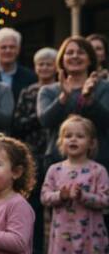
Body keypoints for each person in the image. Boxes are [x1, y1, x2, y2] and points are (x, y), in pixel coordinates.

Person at [39, 116, 108, 254]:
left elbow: (105, 200)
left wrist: (84, 196)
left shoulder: (98, 171)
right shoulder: (55, 170)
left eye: (80, 136)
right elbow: (44, 197)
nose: (73, 140)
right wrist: (62, 195)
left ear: (91, 142)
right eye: (68, 135)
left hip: (91, 236)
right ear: (61, 141)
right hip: (63, 237)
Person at [12, 47, 57, 254]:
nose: (45, 67)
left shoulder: (60, 90)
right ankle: (36, 248)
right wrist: (40, 117)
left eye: (49, 63)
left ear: (56, 67)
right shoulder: (28, 92)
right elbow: (18, 122)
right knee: (34, 202)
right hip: (34, 153)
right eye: (41, 64)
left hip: (57, 152)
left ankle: (59, 249)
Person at [38, 37, 109, 169]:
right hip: (58, 163)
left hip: (98, 163)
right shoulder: (48, 90)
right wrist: (63, 97)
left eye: (81, 52)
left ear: (90, 59)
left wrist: (89, 100)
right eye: (69, 53)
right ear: (62, 59)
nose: (75, 56)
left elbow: (106, 121)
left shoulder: (104, 88)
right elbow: (45, 121)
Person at [0, 28, 37, 103]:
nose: (8, 50)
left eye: (12, 47)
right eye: (3, 47)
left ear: (18, 49)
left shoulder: (30, 77)